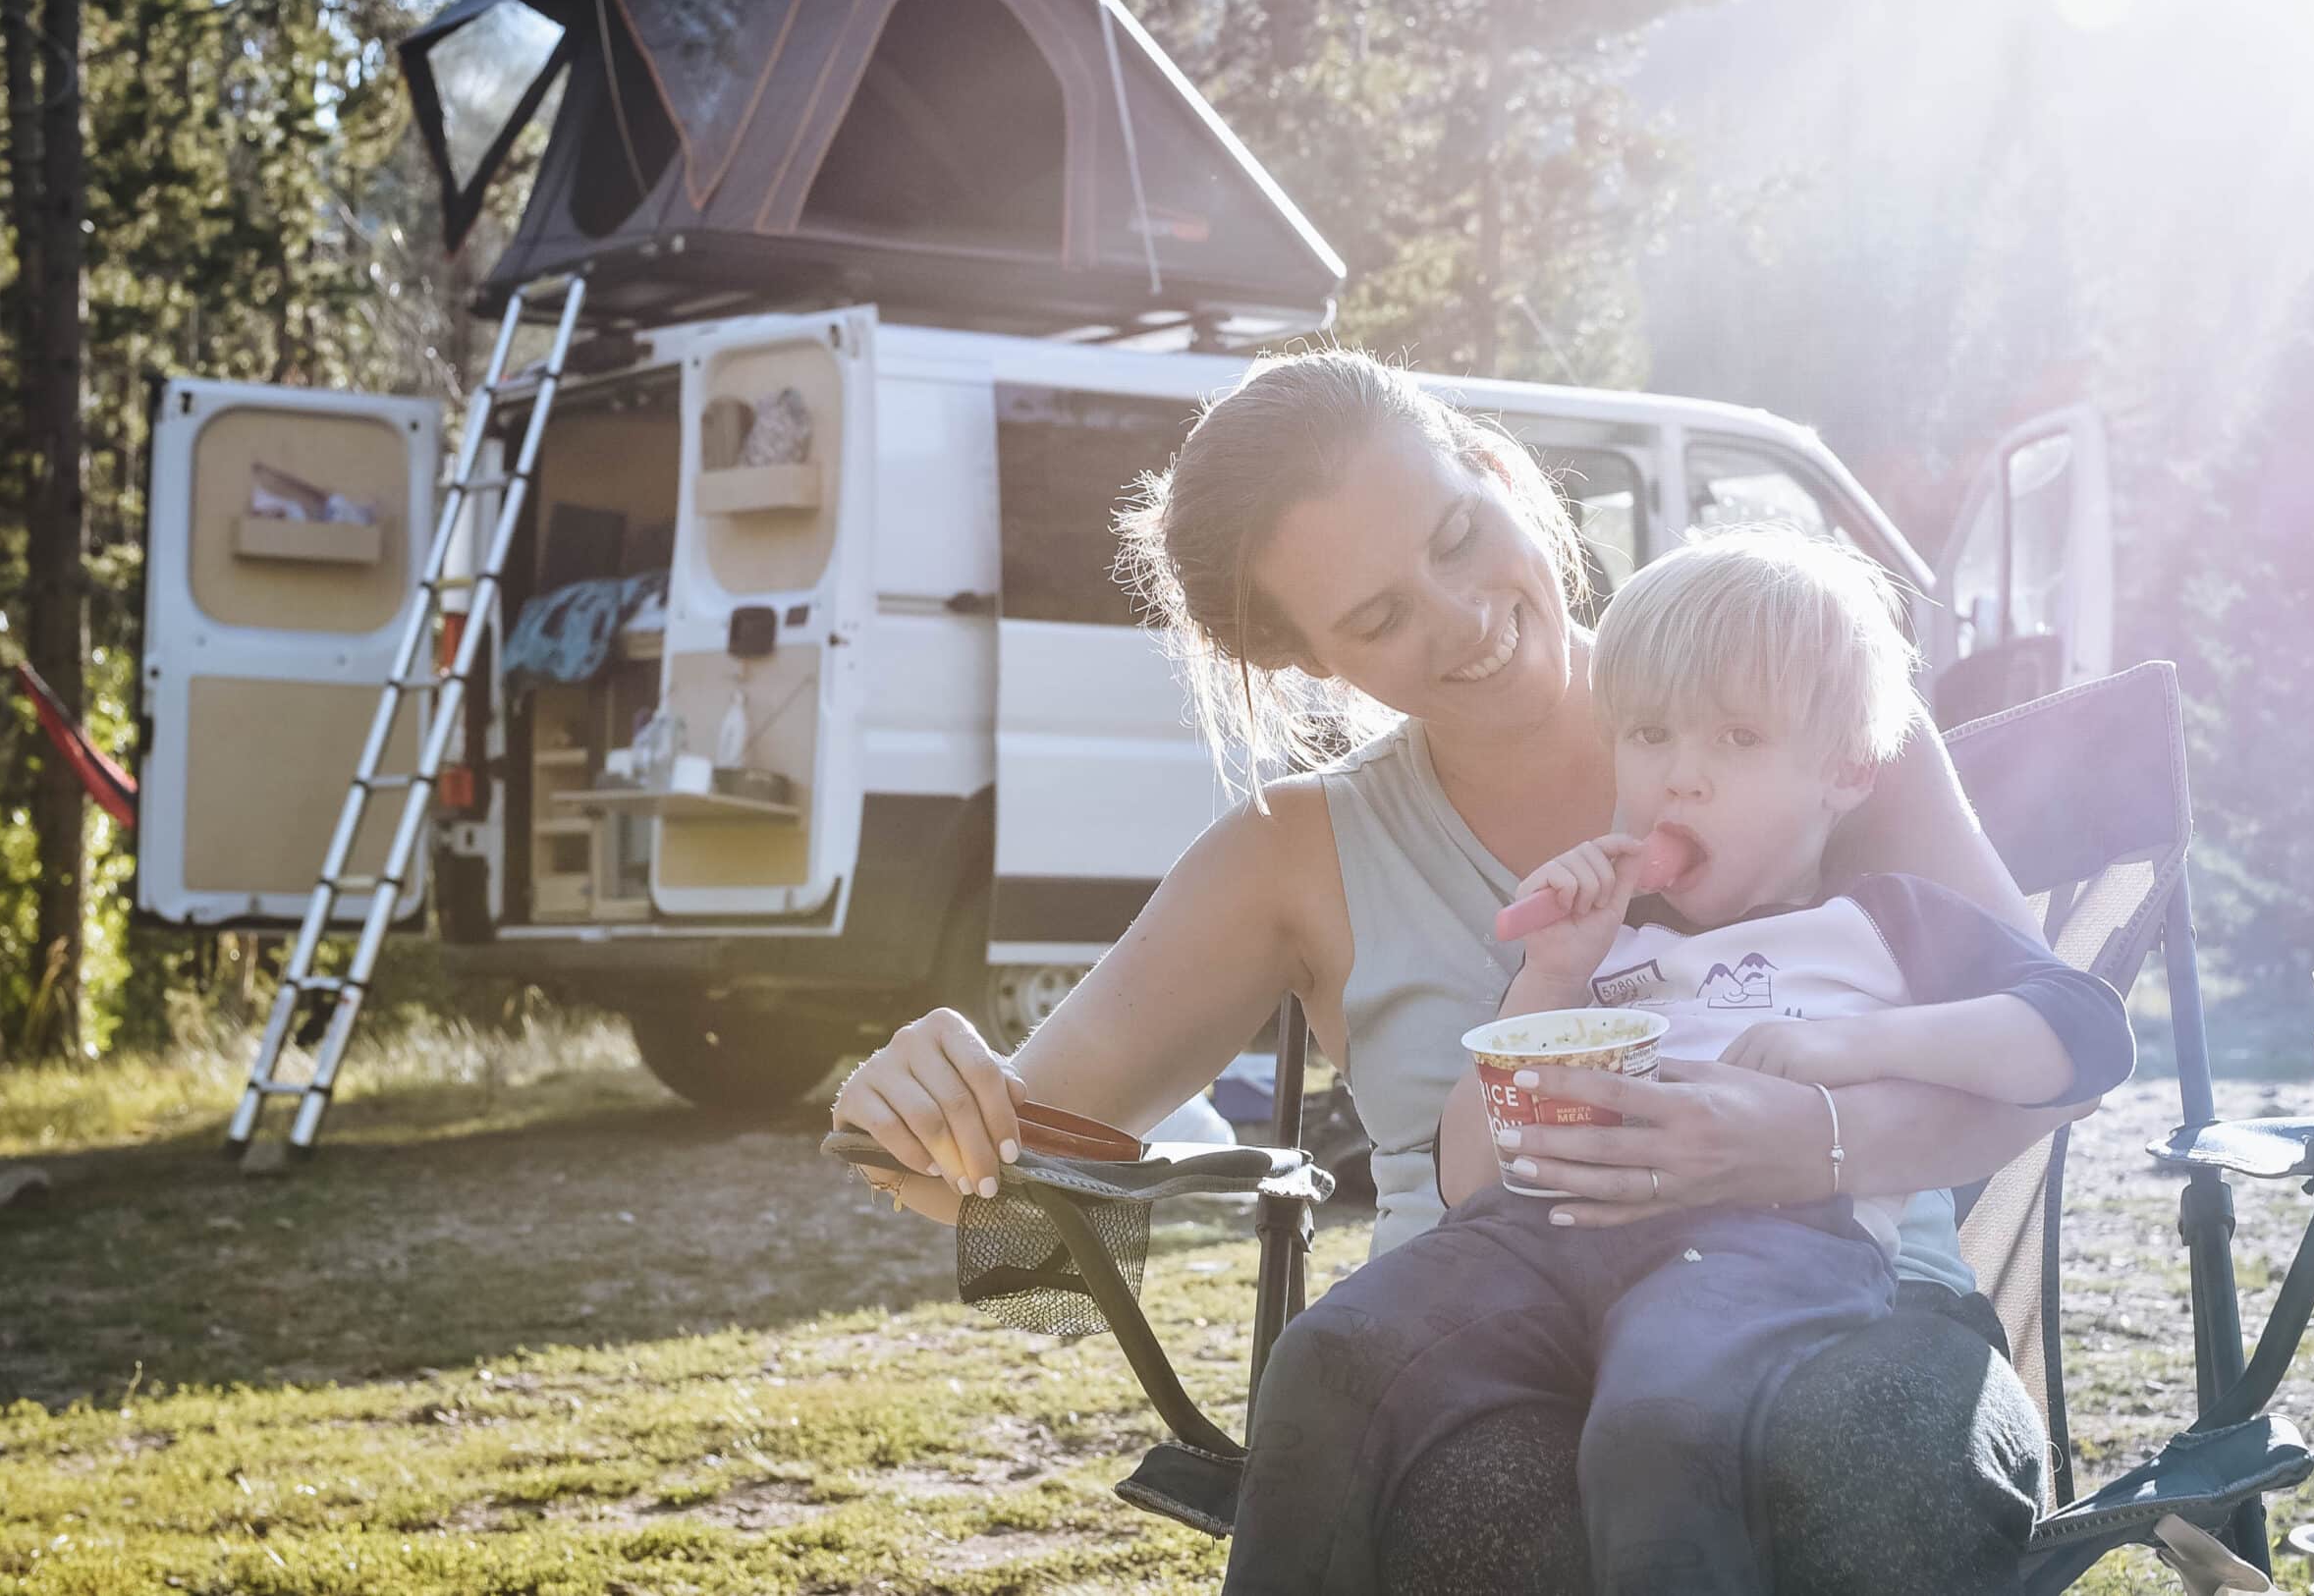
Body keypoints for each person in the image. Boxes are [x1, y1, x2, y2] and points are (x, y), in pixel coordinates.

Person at [832, 349, 2087, 1593]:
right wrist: (919, 1109)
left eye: (1455, 533)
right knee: (1493, 1511)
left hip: (1849, 1304)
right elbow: (1016, 1178)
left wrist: (1801, 1145)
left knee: (1868, 1460)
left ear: (1495, 471)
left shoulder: (1794, 701)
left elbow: (2057, 1060)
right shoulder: (1292, 854)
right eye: (1377, 618)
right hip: (1481, 1340)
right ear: (1308, 661)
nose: (1463, 617)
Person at [1220, 529, 2134, 1593]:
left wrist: (1849, 1045)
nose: (1680, 780)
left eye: (1737, 739)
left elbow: (2079, 1031)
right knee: (1327, 1359)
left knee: (1661, 1422)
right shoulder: (1600, 936)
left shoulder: (1883, 924)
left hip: (1767, 1247)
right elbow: (1469, 1178)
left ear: (1846, 770)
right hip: (1539, 1244)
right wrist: (1550, 977)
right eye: (1649, 735)